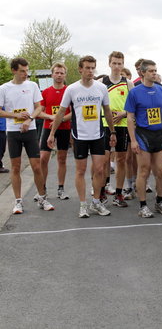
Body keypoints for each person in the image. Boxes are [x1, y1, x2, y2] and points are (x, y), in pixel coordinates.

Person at [48, 55, 116, 218]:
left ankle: (96, 202)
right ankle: (83, 204)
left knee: (99, 170)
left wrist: (112, 132)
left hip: (98, 134)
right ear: (80, 69)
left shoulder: (101, 88)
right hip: (80, 136)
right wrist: (52, 134)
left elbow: (107, 111)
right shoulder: (72, 89)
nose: (90, 71)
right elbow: (61, 112)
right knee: (80, 170)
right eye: (87, 68)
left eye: (93, 68)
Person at [0, 57, 55, 213]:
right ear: (14, 70)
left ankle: (42, 198)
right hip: (13, 132)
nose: (25, 74)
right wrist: (14, 116)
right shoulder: (4, 88)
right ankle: (18, 202)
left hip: (30, 130)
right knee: (15, 167)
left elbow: (39, 107)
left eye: (27, 70)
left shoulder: (32, 85)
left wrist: (29, 118)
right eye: (22, 71)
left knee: (36, 166)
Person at [125, 59, 162, 218]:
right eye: (151, 71)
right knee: (144, 171)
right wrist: (133, 140)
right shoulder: (134, 92)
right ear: (143, 73)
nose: (154, 73)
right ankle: (143, 205)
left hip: (158, 134)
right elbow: (130, 117)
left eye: (155, 70)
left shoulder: (161, 90)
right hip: (143, 134)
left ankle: (160, 201)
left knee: (161, 170)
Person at [101, 51, 134, 208]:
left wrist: (123, 113)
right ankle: (102, 190)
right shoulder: (101, 82)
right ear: (109, 63)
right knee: (103, 160)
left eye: (119, 63)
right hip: (105, 125)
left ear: (123, 64)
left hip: (122, 126)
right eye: (114, 63)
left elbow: (134, 108)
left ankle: (119, 193)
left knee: (121, 160)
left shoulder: (128, 83)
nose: (117, 66)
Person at [38, 62, 71, 200]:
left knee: (61, 159)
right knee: (43, 159)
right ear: (52, 74)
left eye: (61, 73)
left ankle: (61, 189)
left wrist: (60, 119)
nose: (59, 75)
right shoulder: (45, 92)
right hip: (48, 127)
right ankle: (42, 189)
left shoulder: (70, 90)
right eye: (56, 72)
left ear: (65, 75)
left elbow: (74, 112)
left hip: (64, 128)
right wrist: (51, 117)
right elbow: (39, 112)